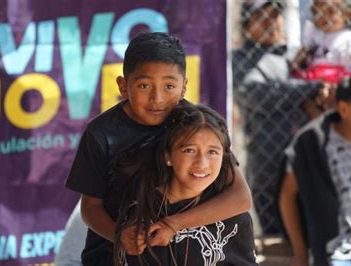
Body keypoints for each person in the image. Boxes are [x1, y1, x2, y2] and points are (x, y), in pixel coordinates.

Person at [64, 32, 252, 265]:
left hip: (185, 249)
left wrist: (174, 224)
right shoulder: (101, 134)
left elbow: (240, 197)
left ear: (184, 87)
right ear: (123, 86)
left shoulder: (195, 125)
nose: (157, 98)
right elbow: (91, 208)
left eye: (169, 86)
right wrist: (120, 236)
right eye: (144, 85)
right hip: (114, 254)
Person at [113, 104, 257, 265]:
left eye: (212, 152)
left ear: (224, 158)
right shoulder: (140, 204)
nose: (202, 163)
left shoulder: (233, 216)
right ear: (167, 156)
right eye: (189, 150)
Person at [232, 0, 327, 234]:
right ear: (246, 26)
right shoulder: (241, 57)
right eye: (261, 18)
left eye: (275, 16)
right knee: (275, 225)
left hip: (310, 148)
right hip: (267, 156)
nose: (270, 23)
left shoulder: (298, 53)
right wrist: (308, 90)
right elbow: (254, 95)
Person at [279, 70, 351, 266]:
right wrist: (300, 253)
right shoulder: (314, 144)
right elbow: (287, 195)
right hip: (337, 253)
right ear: (344, 109)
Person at [291, 0, 351, 84]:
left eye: (331, 12)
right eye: (319, 13)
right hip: (312, 80)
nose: (325, 17)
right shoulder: (313, 37)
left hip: (338, 80)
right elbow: (296, 63)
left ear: (346, 14)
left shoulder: (350, 39)